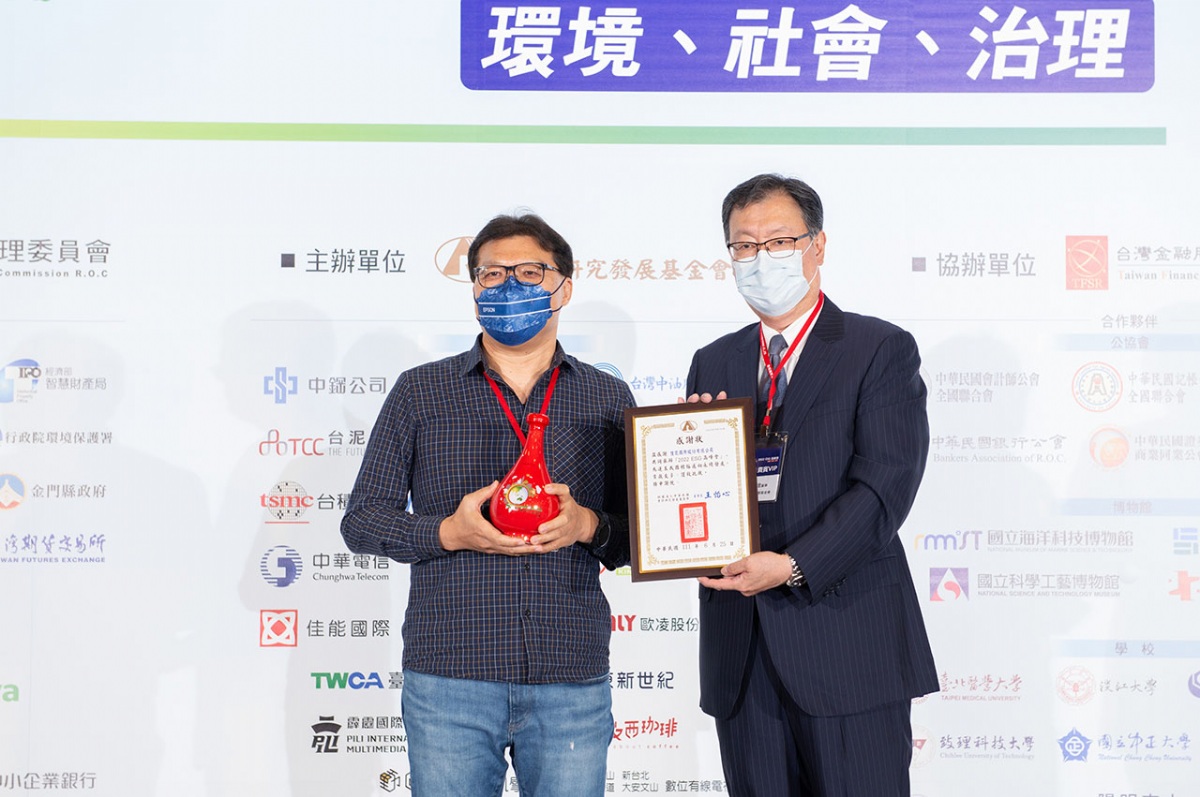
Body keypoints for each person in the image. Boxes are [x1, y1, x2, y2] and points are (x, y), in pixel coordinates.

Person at [341, 212, 633, 797]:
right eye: (491, 274)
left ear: (563, 288)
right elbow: (362, 520)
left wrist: (586, 524)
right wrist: (448, 533)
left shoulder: (606, 396)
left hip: (569, 672)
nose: (508, 286)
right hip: (450, 674)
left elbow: (637, 540)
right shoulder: (420, 391)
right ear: (474, 290)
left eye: (529, 272)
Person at [683, 173, 938, 796]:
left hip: (846, 641)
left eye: (778, 241)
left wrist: (793, 565)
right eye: (744, 246)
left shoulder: (877, 348)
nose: (760, 258)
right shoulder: (712, 360)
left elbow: (885, 487)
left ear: (817, 246)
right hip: (741, 650)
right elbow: (692, 487)